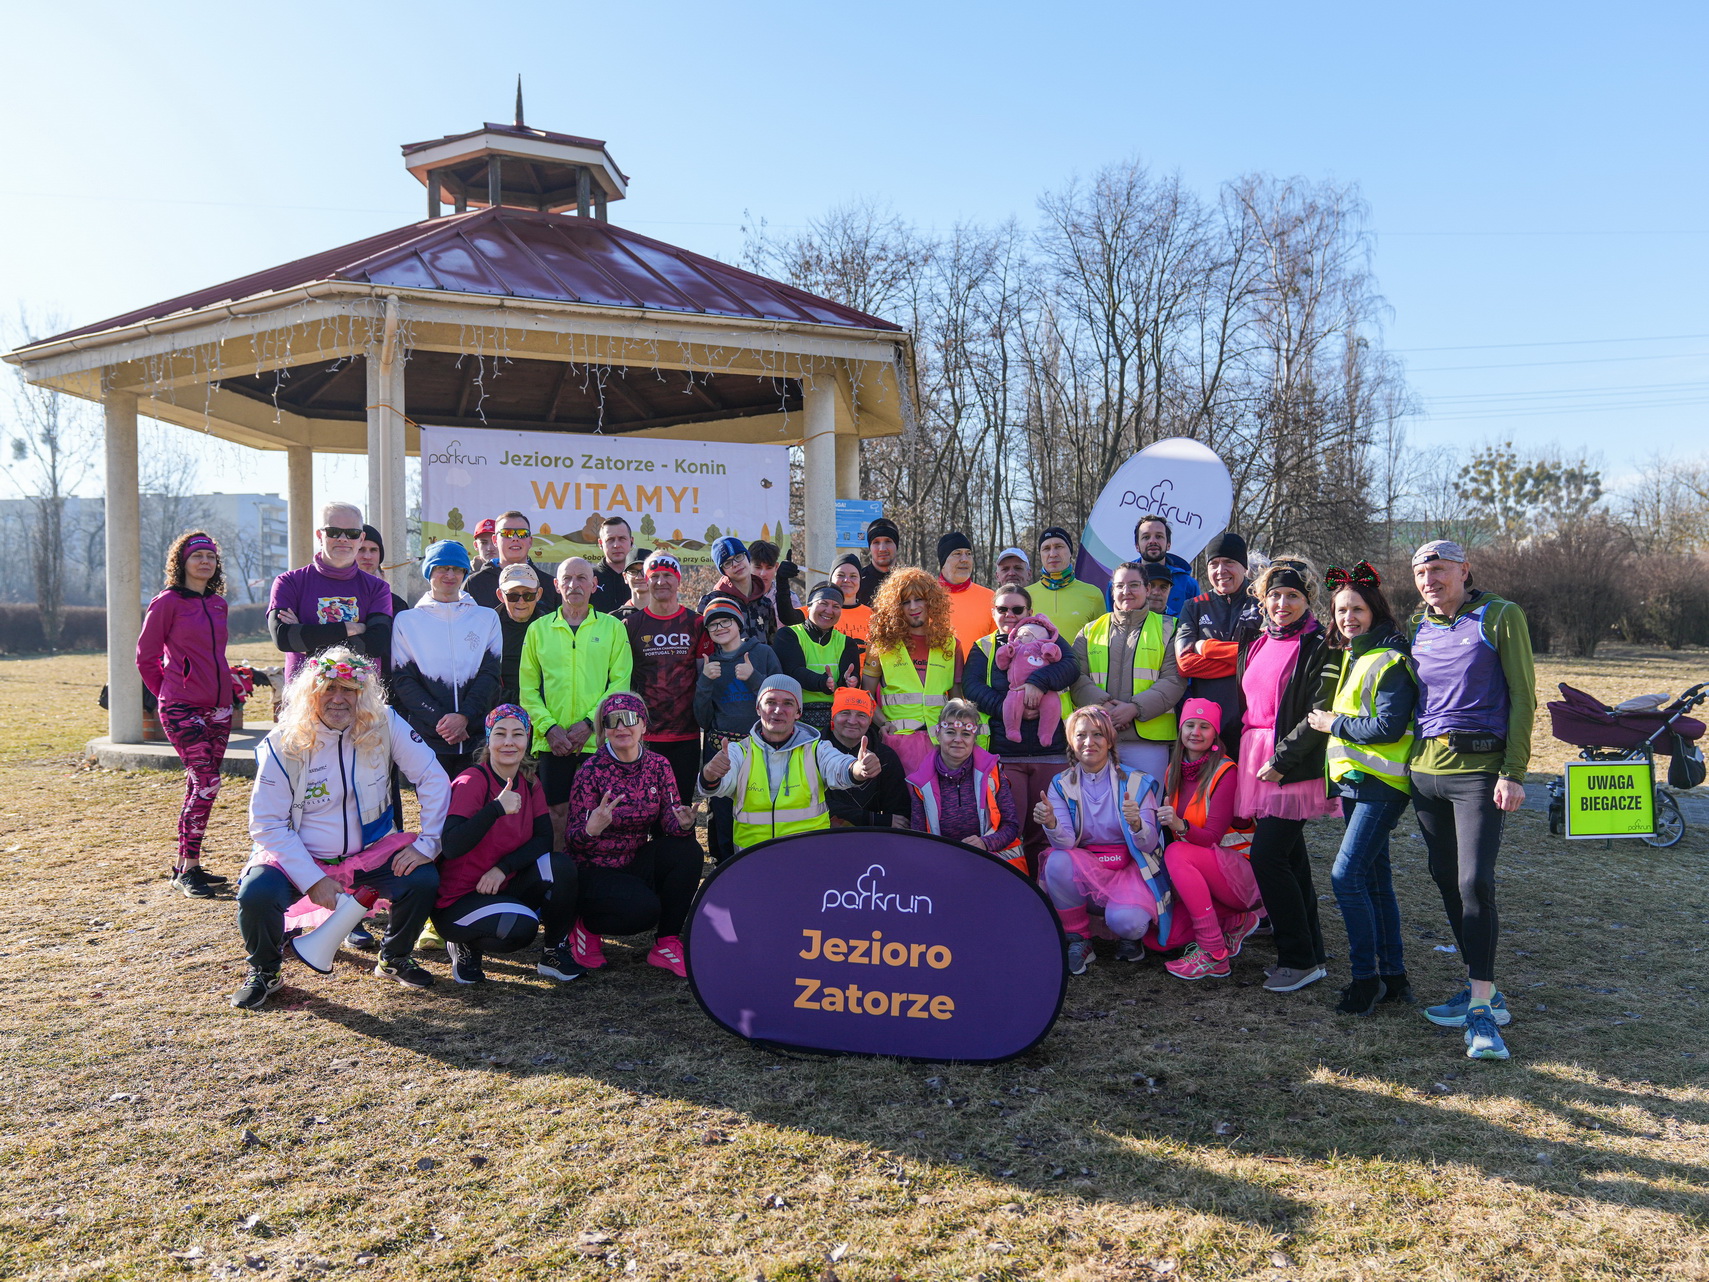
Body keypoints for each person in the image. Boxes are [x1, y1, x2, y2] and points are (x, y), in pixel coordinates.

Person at [233, 648, 450, 1008]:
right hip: (302, 855)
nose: (338, 698)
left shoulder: (386, 722)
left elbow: (433, 778)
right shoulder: (283, 741)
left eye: (348, 689)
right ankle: (266, 971)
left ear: (362, 693)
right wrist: (312, 879)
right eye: (328, 689)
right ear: (310, 693)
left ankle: (394, 959)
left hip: (370, 852)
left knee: (422, 877)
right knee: (255, 894)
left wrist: (428, 843)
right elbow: (267, 823)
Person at [1406, 539, 1535, 1061]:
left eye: (1438, 570)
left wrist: (1515, 771)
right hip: (1425, 775)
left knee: (1474, 881)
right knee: (1446, 880)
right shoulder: (1420, 628)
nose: (1429, 580)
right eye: (1420, 573)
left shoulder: (1500, 616)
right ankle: (1484, 987)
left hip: (1481, 772)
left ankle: (1482, 1012)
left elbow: (1524, 695)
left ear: (1465, 570)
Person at [1305, 562, 1417, 1016]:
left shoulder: (1390, 657)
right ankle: (1394, 976)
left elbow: (1388, 726)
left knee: (1345, 877)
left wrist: (1336, 724)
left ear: (1374, 609)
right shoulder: (1356, 653)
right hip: (1357, 783)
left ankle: (1364, 979)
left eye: (1356, 608)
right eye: (1340, 610)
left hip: (1383, 784)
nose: (1347, 617)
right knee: (1374, 879)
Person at [1234, 556, 1339, 995]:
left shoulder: (1318, 644)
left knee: (1267, 856)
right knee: (1291, 858)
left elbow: (1319, 711)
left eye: (1293, 595)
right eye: (1274, 594)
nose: (1283, 603)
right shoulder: (1257, 640)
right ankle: (1311, 952)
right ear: (1262, 598)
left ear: (1308, 598)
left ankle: (1295, 957)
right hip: (1254, 755)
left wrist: (1283, 761)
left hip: (1288, 764)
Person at [433, 704, 583, 985]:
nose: (509, 742)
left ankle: (553, 952)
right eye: (500, 734)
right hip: (459, 899)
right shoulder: (472, 781)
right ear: (488, 740)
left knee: (561, 866)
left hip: (502, 883)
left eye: (518, 734)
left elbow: (543, 840)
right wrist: (496, 809)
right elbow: (451, 845)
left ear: (527, 739)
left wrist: (503, 868)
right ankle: (464, 943)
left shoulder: (530, 782)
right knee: (520, 929)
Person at [564, 692, 704, 977]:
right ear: (604, 730)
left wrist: (685, 824)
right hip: (594, 870)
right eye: (612, 721)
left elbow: (670, 824)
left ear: (643, 726)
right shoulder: (590, 771)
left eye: (629, 719)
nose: (621, 727)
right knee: (643, 911)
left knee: (688, 850)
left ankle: (666, 943)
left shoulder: (659, 766)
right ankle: (584, 925)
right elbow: (572, 840)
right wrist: (592, 828)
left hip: (634, 860)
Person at [1033, 706, 1177, 975]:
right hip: (1087, 868)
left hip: (1128, 869)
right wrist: (1051, 823)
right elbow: (1064, 845)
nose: (1089, 742)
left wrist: (1137, 824)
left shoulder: (1138, 782)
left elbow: (1149, 846)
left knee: (1129, 923)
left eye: (1098, 734)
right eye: (1081, 735)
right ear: (1071, 741)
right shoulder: (1060, 785)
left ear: (1110, 740)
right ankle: (1078, 939)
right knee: (1057, 861)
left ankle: (1130, 938)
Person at [138, 530, 240, 898]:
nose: (205, 562)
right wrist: (170, 691)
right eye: (197, 556)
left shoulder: (217, 604)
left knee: (200, 784)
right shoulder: (167, 602)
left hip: (220, 708)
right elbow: (145, 657)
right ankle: (190, 870)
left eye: (211, 557)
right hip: (182, 708)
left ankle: (185, 865)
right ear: (182, 562)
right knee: (208, 782)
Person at [517, 557, 633, 850]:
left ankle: (597, 878)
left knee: (602, 813)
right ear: (556, 586)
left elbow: (619, 685)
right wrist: (549, 729)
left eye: (582, 578)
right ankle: (560, 878)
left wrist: (588, 726)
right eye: (566, 578)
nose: (574, 584)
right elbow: (527, 689)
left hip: (598, 742)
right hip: (552, 743)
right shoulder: (538, 630)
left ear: (594, 585)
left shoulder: (612, 628)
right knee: (556, 813)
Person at [698, 675, 880, 855]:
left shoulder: (817, 749)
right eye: (770, 702)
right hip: (753, 861)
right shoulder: (740, 751)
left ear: (798, 712)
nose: (778, 710)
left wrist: (858, 769)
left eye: (788, 703)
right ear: (758, 708)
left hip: (809, 858)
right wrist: (710, 774)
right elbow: (713, 787)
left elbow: (840, 767)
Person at [964, 585, 1075, 874]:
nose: (1010, 615)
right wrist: (1011, 707)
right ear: (994, 613)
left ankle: (1048, 896)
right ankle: (1013, 891)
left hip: (1050, 754)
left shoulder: (1047, 633)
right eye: (1003, 609)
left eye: (1017, 609)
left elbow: (1071, 667)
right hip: (1005, 754)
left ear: (1029, 611)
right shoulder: (984, 647)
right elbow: (972, 687)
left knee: (1046, 832)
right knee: (1007, 831)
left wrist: (1038, 683)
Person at [1157, 699, 1262, 981]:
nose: (1196, 732)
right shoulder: (1173, 771)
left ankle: (1213, 952)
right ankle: (1236, 922)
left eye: (1205, 727)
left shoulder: (1226, 771)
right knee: (1160, 940)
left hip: (1239, 876)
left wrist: (1180, 825)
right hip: (1205, 875)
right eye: (1190, 725)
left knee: (1177, 852)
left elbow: (1212, 837)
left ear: (1215, 734)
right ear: (1180, 730)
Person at [390, 540, 503, 781]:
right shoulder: (406, 621)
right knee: (434, 811)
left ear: (465, 572)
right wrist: (442, 722)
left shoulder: (487, 618)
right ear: (429, 571)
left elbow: (490, 675)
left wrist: (464, 717)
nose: (450, 574)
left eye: (457, 568)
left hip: (474, 736)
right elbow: (404, 680)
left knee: (471, 810)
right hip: (428, 737)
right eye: (442, 567)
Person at [1070, 561, 1187, 781]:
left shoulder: (1170, 628)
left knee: (1145, 811)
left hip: (1148, 743)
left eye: (1134, 585)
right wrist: (1103, 708)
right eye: (1120, 586)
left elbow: (1174, 680)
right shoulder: (1089, 631)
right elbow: (1075, 677)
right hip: (1097, 739)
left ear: (1147, 589)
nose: (1126, 592)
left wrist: (1134, 708)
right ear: (1112, 591)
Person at [267, 502, 395, 684]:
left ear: (361, 538)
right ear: (320, 535)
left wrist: (308, 640)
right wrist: (352, 628)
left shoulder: (378, 588)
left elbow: (375, 644)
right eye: (334, 532)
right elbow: (285, 638)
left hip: (360, 698)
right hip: (304, 697)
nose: (343, 539)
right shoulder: (288, 582)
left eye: (352, 533)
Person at [694, 599, 782, 862]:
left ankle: (761, 862)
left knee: (760, 808)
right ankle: (724, 866)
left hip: (760, 747)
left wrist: (755, 678)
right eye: (713, 626)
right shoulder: (709, 665)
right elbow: (703, 718)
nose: (720, 628)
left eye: (726, 621)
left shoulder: (763, 653)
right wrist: (705, 682)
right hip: (722, 748)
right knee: (722, 812)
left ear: (738, 623)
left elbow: (782, 699)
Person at [623, 551, 706, 803]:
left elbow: (704, 676)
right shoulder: (631, 625)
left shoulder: (696, 622)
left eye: (668, 576)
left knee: (681, 807)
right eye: (655, 576)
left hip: (687, 735)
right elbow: (624, 679)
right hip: (646, 735)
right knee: (647, 809)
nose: (661, 582)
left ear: (678, 580)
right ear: (646, 581)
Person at [863, 567, 962, 775]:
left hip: (942, 743)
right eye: (905, 602)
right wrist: (884, 724)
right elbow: (866, 696)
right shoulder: (881, 645)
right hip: (899, 743)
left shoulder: (951, 645)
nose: (913, 607)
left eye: (919, 599)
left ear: (932, 601)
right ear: (895, 608)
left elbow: (957, 699)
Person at [906, 698, 1023, 870]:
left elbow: (1011, 826)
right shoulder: (921, 782)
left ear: (974, 738)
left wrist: (985, 844)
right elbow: (919, 838)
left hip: (989, 860)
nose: (958, 739)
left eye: (966, 734)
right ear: (938, 734)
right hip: (942, 863)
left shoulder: (992, 772)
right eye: (951, 732)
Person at [1175, 531, 1263, 754]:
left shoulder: (1264, 603)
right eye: (1214, 564)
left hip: (1253, 721)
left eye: (1229, 562)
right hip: (1206, 724)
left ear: (1244, 566)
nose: (1221, 570)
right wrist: (1247, 659)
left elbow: (1267, 656)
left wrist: (1206, 648)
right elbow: (1185, 664)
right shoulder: (1194, 606)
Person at [773, 583, 862, 734]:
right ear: (808, 606)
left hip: (836, 723)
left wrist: (850, 681)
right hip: (795, 720)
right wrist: (822, 682)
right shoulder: (789, 635)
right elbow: (793, 671)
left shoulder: (847, 643)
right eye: (823, 603)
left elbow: (849, 680)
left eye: (836, 606)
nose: (829, 611)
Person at [820, 687, 911, 828]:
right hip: (822, 836)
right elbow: (817, 806)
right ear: (833, 716)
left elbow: (900, 815)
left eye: (861, 715)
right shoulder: (813, 752)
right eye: (845, 713)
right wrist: (874, 819)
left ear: (870, 720)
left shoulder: (886, 757)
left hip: (872, 840)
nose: (852, 721)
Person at [465, 511, 562, 614]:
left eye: (522, 533)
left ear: (530, 541)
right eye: (507, 533)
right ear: (495, 540)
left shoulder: (550, 585)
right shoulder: (474, 584)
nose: (515, 538)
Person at [1027, 526, 1106, 643]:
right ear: (1040, 555)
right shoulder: (1025, 595)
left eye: (1059, 547)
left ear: (1070, 552)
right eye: (1046, 548)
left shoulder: (1093, 594)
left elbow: (1102, 641)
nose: (1052, 554)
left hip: (1078, 661)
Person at [697, 536, 778, 641]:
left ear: (747, 557)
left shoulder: (765, 603)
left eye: (739, 556)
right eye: (727, 563)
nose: (735, 564)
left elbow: (772, 644)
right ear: (723, 571)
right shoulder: (710, 602)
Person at [936, 531, 995, 654]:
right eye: (957, 554)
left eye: (968, 554)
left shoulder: (990, 597)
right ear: (943, 562)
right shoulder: (926, 596)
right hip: (937, 672)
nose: (964, 559)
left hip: (978, 672)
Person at [493, 563, 543, 707]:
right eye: (513, 596)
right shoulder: (488, 627)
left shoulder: (550, 626)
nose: (521, 602)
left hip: (543, 708)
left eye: (528, 595)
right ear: (500, 595)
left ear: (538, 594)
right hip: (499, 708)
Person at [1132, 515, 1201, 617]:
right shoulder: (1123, 582)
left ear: (1168, 544)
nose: (1152, 541)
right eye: (1146, 537)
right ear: (1137, 546)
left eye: (1159, 536)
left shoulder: (1187, 584)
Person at [356, 524, 411, 618]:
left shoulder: (397, 605)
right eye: (361, 549)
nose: (367, 556)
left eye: (373, 550)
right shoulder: (341, 598)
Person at [749, 539, 804, 628]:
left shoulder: (790, 598)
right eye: (758, 567)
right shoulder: (738, 596)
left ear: (776, 567)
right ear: (748, 566)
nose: (763, 573)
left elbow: (800, 629)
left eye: (769, 568)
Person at [589, 516, 634, 614]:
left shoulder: (643, 577)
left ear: (631, 541)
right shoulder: (589, 577)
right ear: (600, 543)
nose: (616, 545)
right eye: (610, 539)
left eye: (622, 538)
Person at [857, 517, 900, 606]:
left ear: (896, 545)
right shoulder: (857, 582)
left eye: (888, 541)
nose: (882, 549)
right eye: (876, 542)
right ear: (870, 547)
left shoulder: (909, 581)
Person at [831, 553, 871, 642]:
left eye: (853, 576)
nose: (847, 580)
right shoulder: (815, 613)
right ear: (830, 579)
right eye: (840, 575)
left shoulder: (873, 617)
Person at [614, 549, 653, 620]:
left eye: (644, 571)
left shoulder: (668, 615)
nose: (639, 577)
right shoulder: (614, 619)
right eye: (633, 572)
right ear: (625, 577)